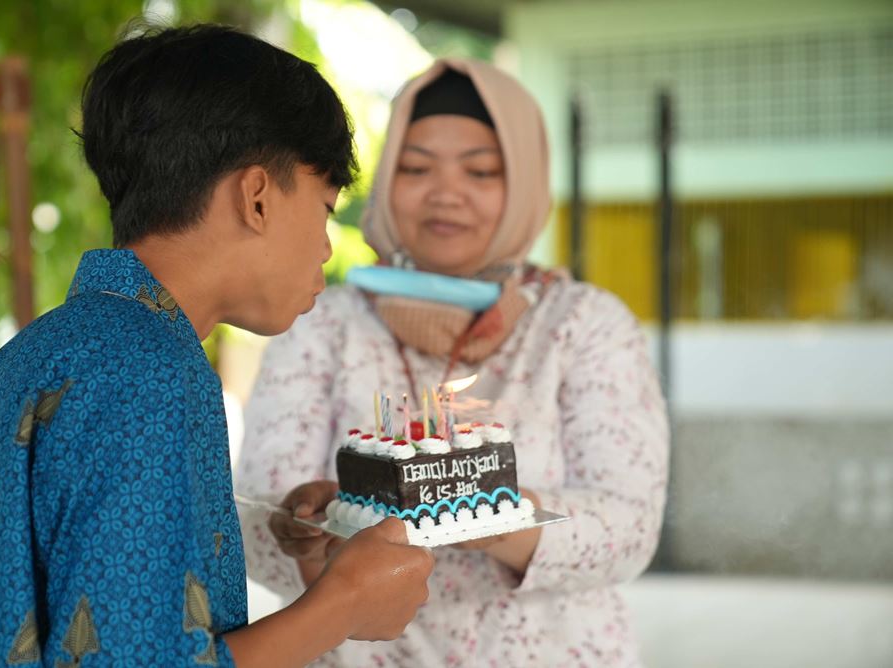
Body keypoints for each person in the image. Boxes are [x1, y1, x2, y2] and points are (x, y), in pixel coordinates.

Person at [0, 25, 434, 668]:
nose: (325, 247)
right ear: (257, 198)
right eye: (324, 208)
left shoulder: (42, 348)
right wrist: (342, 606)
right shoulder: (149, 372)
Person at [238, 59, 669, 667]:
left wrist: (475, 507)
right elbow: (255, 524)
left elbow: (629, 528)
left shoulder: (581, 324)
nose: (446, 193)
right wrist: (306, 526)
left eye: (481, 170)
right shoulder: (320, 321)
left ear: (524, 183)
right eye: (416, 168)